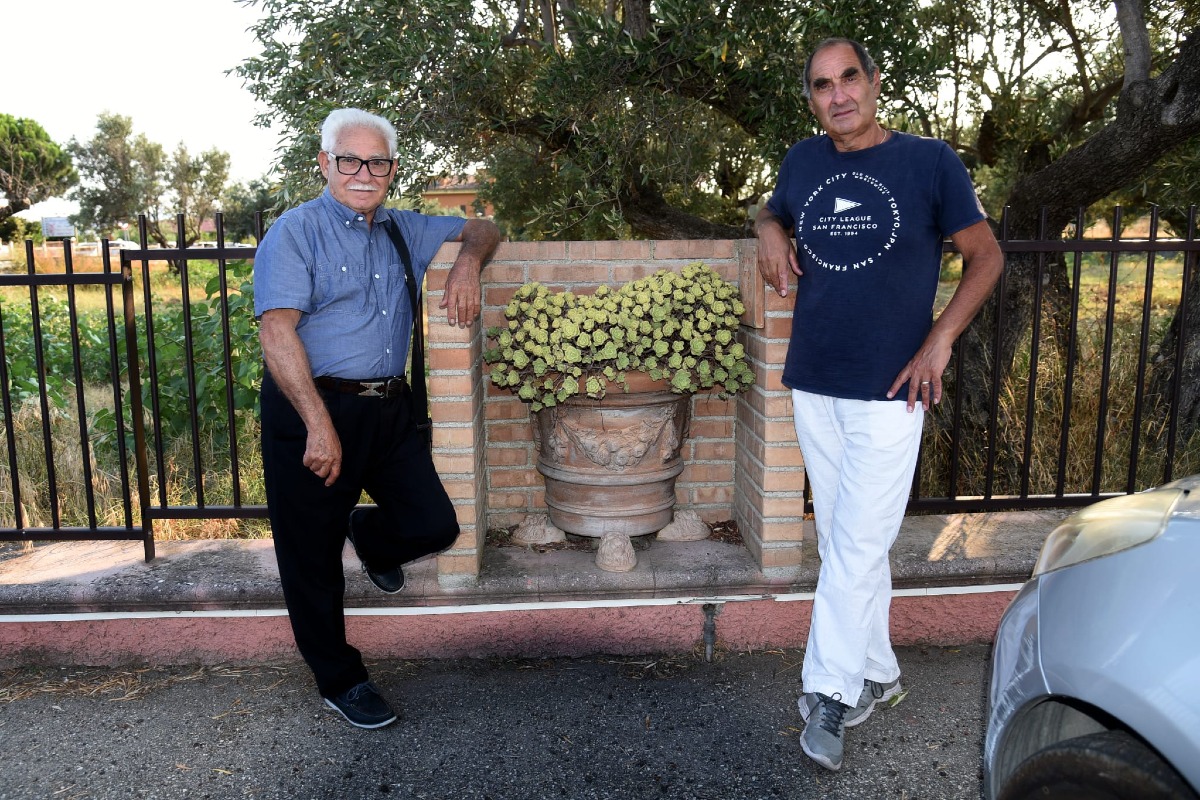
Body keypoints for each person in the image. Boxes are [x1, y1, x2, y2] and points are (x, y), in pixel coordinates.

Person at [754, 39, 1003, 771]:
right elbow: (771, 209)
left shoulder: (929, 162)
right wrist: (769, 227)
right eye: (823, 85)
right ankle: (880, 672)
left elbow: (986, 255)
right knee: (842, 544)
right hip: (814, 383)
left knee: (857, 547)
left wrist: (940, 341)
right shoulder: (802, 161)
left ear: (874, 81)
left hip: (892, 392)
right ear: (812, 99)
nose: (839, 95)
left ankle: (829, 694)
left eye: (850, 78)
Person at [253, 108, 500, 729]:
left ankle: (368, 534)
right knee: (309, 559)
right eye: (350, 160)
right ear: (325, 164)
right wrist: (316, 422)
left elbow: (486, 227)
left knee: (433, 523)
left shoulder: (401, 229)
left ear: (392, 168)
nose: (364, 172)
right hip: (314, 406)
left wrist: (468, 261)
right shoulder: (295, 232)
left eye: (377, 162)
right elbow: (277, 331)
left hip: (388, 410)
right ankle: (339, 678)